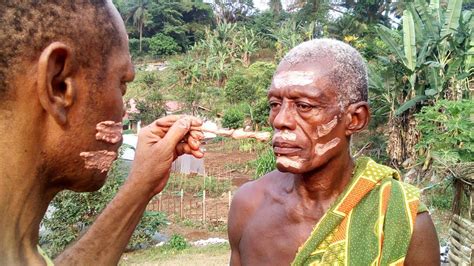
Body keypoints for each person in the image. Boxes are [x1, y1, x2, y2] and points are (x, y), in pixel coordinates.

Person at [0, 1, 204, 265]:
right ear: (59, 85)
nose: (123, 112)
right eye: (121, 84)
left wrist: (142, 185)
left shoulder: (21, 252)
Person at [228, 39, 440, 265]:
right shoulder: (248, 205)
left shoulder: (402, 221)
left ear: (355, 119)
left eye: (304, 106)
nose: (280, 120)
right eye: (274, 104)